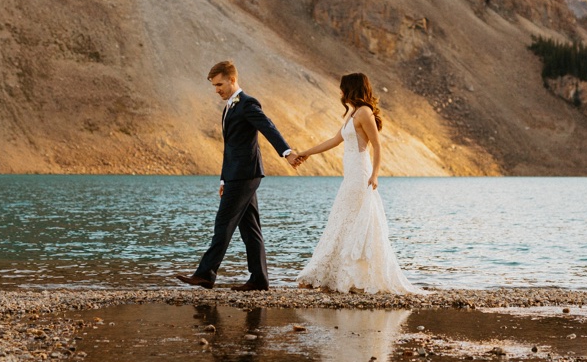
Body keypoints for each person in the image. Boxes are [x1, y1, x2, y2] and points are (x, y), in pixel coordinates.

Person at [176, 60, 300, 292]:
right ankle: (259, 279)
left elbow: (268, 127)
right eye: (214, 86)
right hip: (237, 175)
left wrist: (287, 152)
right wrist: (223, 179)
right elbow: (230, 147)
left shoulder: (247, 104)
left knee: (223, 223)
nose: (217, 90)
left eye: (220, 84)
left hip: (245, 175)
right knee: (250, 228)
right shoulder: (229, 107)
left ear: (233, 80)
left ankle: (205, 274)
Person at [291, 73, 420, 294]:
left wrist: (375, 175)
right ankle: (330, 275)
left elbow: (377, 146)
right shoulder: (352, 113)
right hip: (350, 175)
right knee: (342, 221)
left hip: (361, 174)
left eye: (342, 88)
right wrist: (306, 153)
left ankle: (355, 278)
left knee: (355, 221)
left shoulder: (364, 112)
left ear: (350, 88)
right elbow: (334, 140)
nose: (339, 91)